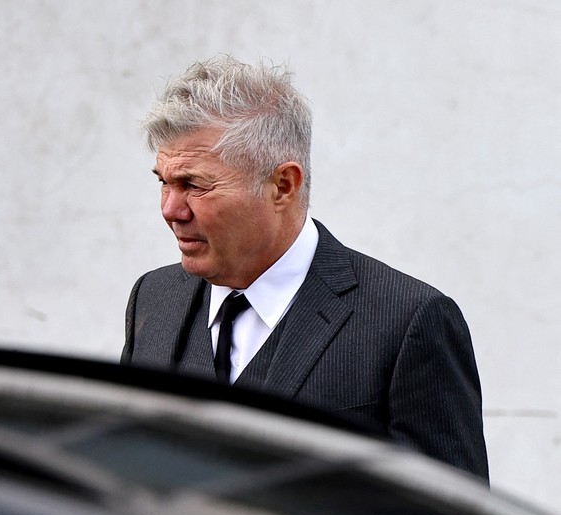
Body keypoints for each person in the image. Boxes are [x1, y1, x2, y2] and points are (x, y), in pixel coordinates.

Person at [121, 55, 489, 481]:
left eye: (194, 184)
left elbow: (450, 511)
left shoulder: (406, 321)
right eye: (163, 182)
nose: (170, 209)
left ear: (283, 185)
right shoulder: (154, 298)